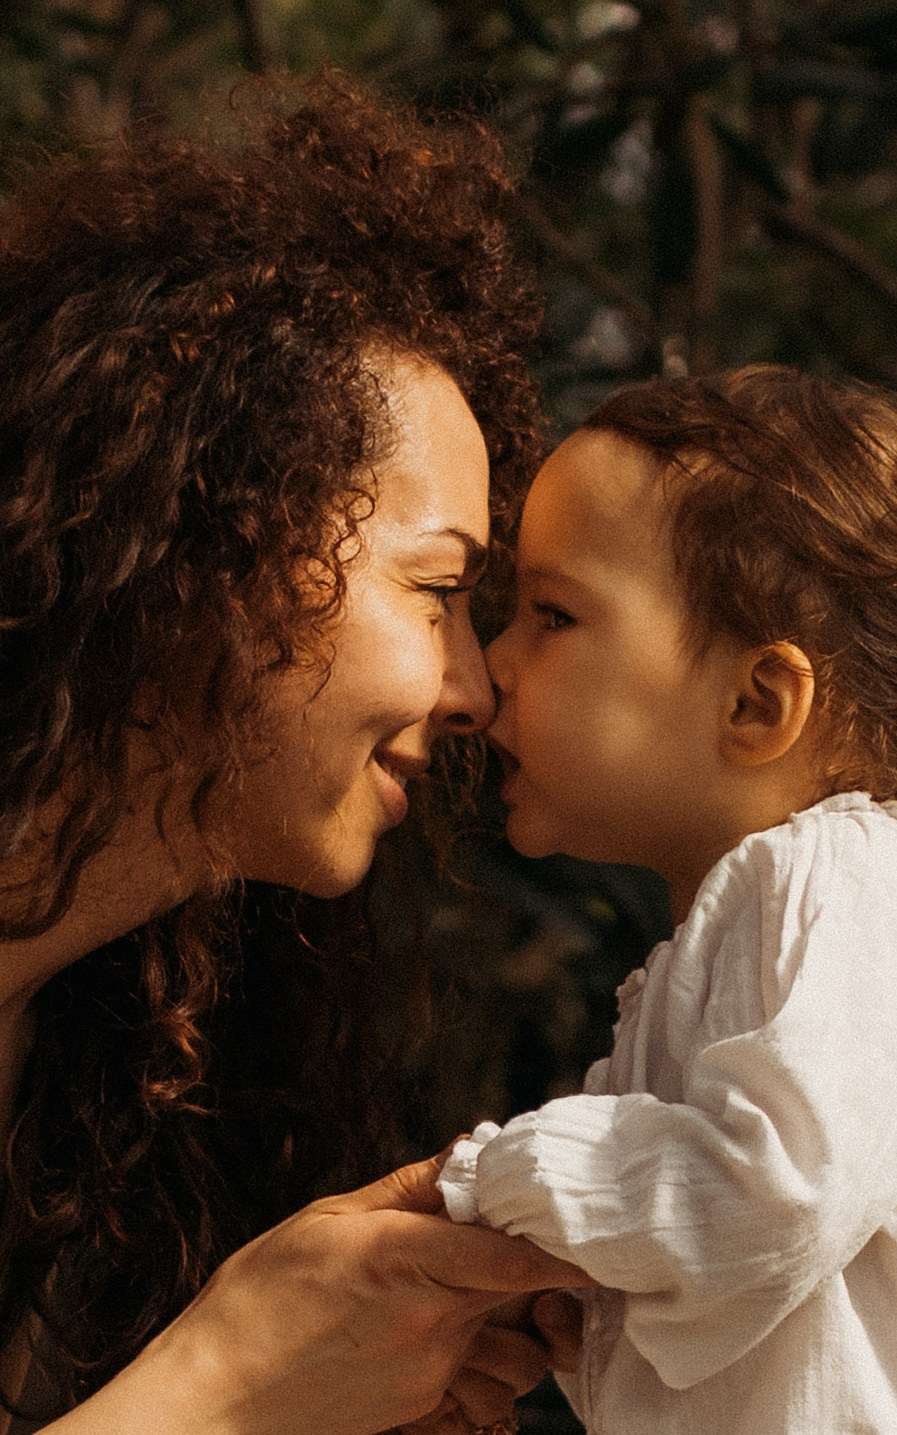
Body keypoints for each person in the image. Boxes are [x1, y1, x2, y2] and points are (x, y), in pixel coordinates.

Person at [0, 69, 590, 1435]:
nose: (471, 690)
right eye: (436, 589)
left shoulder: (118, 1049)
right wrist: (229, 1380)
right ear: (201, 552)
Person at [438, 364, 897, 1433]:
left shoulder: (829, 879)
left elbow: (775, 1192)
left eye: (551, 615)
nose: (494, 660)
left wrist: (498, 1174)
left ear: (756, 701)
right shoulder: (752, 921)